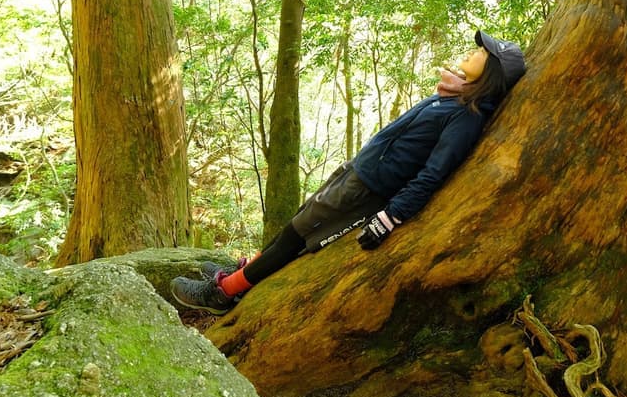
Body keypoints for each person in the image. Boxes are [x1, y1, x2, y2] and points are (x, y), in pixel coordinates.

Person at [170, 30, 526, 315]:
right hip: (358, 172)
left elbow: (434, 173)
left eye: (483, 52)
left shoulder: (467, 116)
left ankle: (223, 293)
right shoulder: (454, 96)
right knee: (295, 224)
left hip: (368, 188)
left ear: (493, 71)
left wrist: (391, 216)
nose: (474, 51)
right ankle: (241, 272)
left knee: (296, 237)